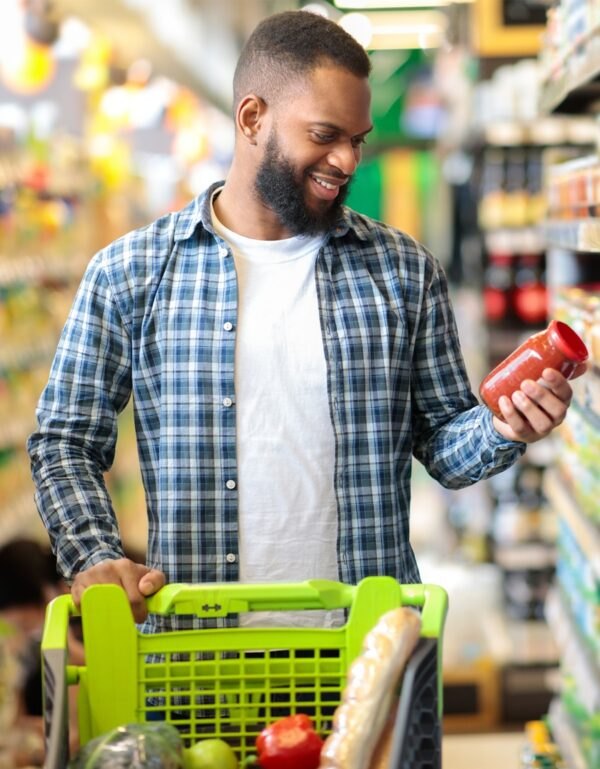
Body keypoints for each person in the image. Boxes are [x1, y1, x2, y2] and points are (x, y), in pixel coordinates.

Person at [27, 10, 584, 631]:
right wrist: (94, 553)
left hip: (369, 654)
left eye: (358, 138)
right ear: (251, 118)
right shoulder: (131, 272)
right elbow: (64, 440)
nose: (347, 160)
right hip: (200, 661)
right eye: (325, 134)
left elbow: (446, 450)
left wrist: (505, 426)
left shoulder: (403, 272)